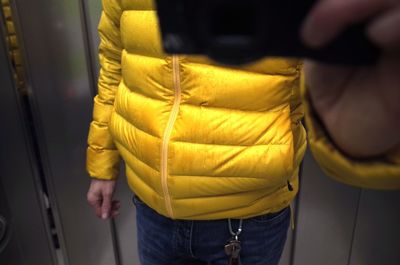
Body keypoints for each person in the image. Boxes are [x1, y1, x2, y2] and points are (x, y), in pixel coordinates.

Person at [86, 0, 400, 264]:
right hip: (151, 209)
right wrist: (102, 165)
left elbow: (341, 93)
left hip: (247, 220)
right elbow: (114, 65)